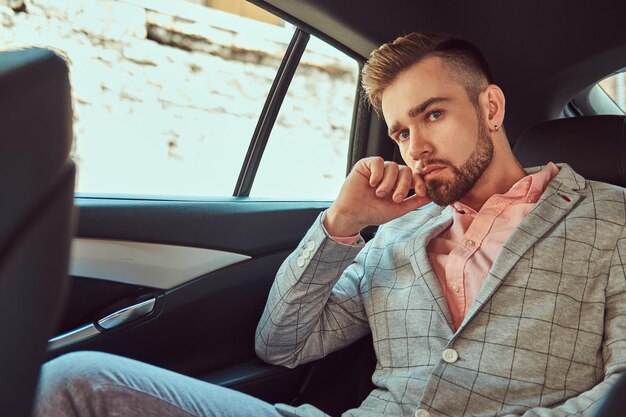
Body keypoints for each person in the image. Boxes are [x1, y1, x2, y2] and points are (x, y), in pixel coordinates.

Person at [33, 32, 626, 417]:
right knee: (74, 381)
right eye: (400, 132)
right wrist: (341, 226)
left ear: (490, 109)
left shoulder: (611, 218)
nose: (414, 146)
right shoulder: (396, 234)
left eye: (433, 115)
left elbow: (618, 390)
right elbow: (283, 345)